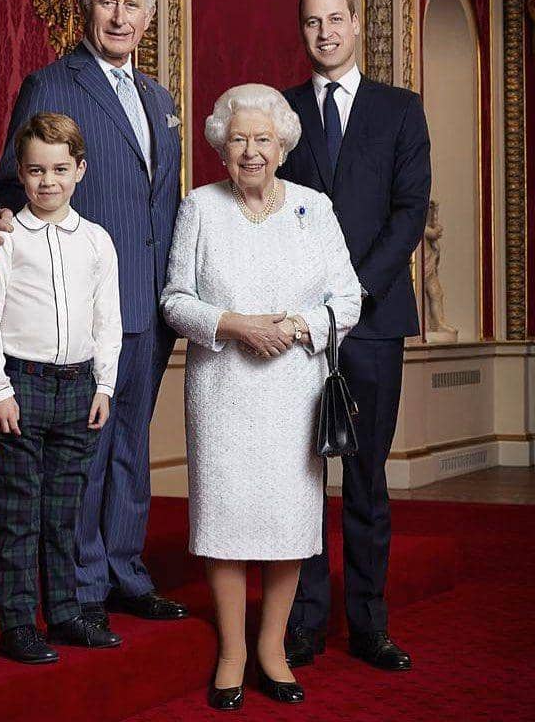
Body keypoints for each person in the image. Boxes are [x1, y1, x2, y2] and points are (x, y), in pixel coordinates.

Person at [0, 0, 187, 628]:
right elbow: (10, 181)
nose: (120, 17)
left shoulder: (159, 98)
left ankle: (126, 571)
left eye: (132, 6)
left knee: (131, 446)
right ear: (87, 8)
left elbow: (161, 201)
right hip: (82, 304)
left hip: (151, 302)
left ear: (147, 18)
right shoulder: (52, 84)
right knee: (85, 456)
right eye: (107, 3)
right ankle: (80, 588)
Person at [161, 84, 362, 710]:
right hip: (221, 390)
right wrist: (235, 325)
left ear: (283, 146)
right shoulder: (200, 206)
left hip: (293, 391)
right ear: (221, 146)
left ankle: (272, 649)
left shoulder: (313, 208)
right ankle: (232, 652)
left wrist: (297, 327)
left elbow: (348, 299)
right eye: (239, 139)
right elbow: (175, 301)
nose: (251, 151)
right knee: (223, 521)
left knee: (286, 523)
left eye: (263, 140)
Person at [279, 0, 431, 672]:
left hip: (372, 320)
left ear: (357, 24)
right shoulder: (280, 112)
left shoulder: (401, 110)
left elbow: (409, 212)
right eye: (313, 23)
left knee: (366, 479)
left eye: (335, 19)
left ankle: (369, 624)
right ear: (303, 31)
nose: (325, 33)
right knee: (303, 478)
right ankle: (304, 622)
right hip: (300, 325)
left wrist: (354, 292)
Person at [0, 113, 123, 661]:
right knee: (19, 512)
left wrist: (104, 385)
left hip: (79, 388)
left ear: (79, 170)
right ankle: (17, 623)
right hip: (23, 386)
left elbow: (107, 320)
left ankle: (64, 614)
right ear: (21, 172)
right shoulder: (8, 239)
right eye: (36, 170)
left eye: (60, 169)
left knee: (64, 513)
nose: (48, 181)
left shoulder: (98, 241)